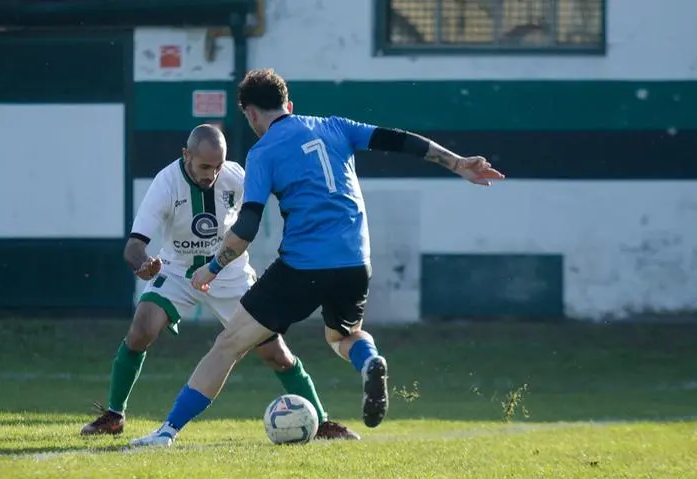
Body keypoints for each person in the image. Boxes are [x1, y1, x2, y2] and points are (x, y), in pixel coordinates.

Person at [130, 69, 505, 447]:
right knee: (344, 334)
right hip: (356, 261)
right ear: (288, 105)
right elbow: (398, 139)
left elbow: (246, 226)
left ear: (251, 114)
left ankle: (167, 431)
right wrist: (457, 162)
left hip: (301, 266)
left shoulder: (263, 152)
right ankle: (369, 360)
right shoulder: (336, 126)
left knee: (228, 345)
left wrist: (213, 267)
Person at [80, 123, 359, 441]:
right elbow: (133, 245)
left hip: (230, 274)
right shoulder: (166, 183)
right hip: (177, 271)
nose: (211, 174)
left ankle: (321, 423)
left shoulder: (235, 176)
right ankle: (114, 416)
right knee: (141, 331)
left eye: (217, 166)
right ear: (186, 155)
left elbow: (278, 193)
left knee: (276, 354)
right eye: (204, 166)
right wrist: (143, 264)